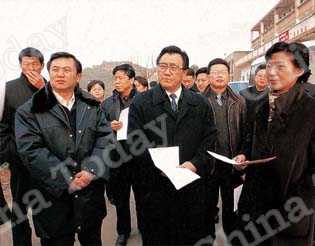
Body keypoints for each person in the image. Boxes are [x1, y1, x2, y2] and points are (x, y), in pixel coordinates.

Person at [15, 52, 111, 246]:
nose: (60, 74)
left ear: (78, 76)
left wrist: (91, 170)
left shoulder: (92, 105)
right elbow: (31, 151)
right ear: (48, 73)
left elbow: (105, 140)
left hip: (89, 194)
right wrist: (67, 179)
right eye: (55, 70)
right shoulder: (29, 110)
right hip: (52, 199)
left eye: (66, 70)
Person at [128, 45, 217, 245]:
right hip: (154, 191)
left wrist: (195, 163)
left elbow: (209, 140)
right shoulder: (141, 103)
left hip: (191, 188)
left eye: (173, 67)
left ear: (184, 72)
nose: (167, 71)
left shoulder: (199, 103)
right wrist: (160, 167)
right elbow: (135, 142)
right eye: (163, 66)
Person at [233, 42, 315, 246]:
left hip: (290, 216)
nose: (271, 72)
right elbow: (250, 142)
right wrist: (244, 156)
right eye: (269, 65)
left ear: (299, 70)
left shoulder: (310, 110)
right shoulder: (260, 106)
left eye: (280, 66)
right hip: (253, 213)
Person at [0, 47, 46, 246]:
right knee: (19, 211)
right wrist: (11, 152)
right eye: (27, 64)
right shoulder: (8, 89)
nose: (31, 68)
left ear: (42, 65)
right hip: (20, 162)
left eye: (35, 64)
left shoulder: (52, 87)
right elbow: (2, 127)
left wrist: (44, 89)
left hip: (47, 163)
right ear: (20, 65)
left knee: (47, 210)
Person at [203, 58, 248, 235]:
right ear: (208, 76)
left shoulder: (240, 102)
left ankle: (232, 238)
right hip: (208, 167)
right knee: (207, 209)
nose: (219, 75)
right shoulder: (198, 102)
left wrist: (243, 154)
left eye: (223, 71)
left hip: (232, 165)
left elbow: (246, 133)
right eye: (215, 72)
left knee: (232, 209)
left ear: (229, 75)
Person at [102, 64, 139, 246]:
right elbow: (99, 128)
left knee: (144, 197)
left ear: (131, 80)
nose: (117, 81)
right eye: (115, 77)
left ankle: (147, 227)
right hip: (118, 158)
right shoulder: (107, 103)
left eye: (121, 77)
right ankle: (123, 231)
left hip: (140, 157)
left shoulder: (144, 100)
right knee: (121, 199)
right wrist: (109, 126)